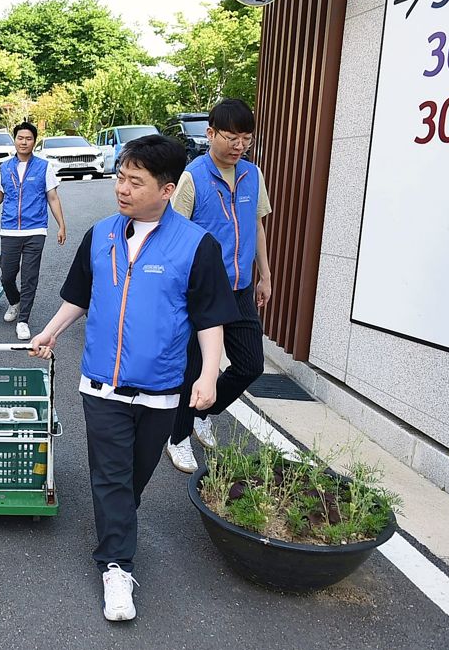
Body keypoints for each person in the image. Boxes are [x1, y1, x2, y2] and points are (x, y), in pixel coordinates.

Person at [29, 135, 238, 621]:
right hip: (100, 384)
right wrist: (50, 332)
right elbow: (79, 297)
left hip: (162, 390)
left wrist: (208, 376)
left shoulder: (195, 245)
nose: (121, 188)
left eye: (135, 181)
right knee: (111, 477)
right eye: (120, 177)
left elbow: (210, 318)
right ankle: (116, 567)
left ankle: (116, 527)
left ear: (167, 190)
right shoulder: (100, 234)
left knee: (132, 480)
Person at [165, 98, 273, 473]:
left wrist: (265, 274)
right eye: (231, 137)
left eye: (246, 138)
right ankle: (177, 438)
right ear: (211, 134)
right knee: (194, 368)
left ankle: (203, 413)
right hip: (204, 290)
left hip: (242, 286)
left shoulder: (252, 175)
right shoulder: (193, 176)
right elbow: (173, 233)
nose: (239, 145)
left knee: (250, 364)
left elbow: (257, 224)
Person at [0, 122, 66, 341]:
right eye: (20, 138)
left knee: (29, 278)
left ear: (34, 141)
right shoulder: (5, 168)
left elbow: (53, 197)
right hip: (10, 229)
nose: (24, 142)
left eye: (28, 138)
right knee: (7, 276)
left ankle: (23, 320)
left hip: (36, 229)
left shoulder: (44, 167)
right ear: (15, 140)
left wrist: (61, 225)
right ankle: (15, 302)